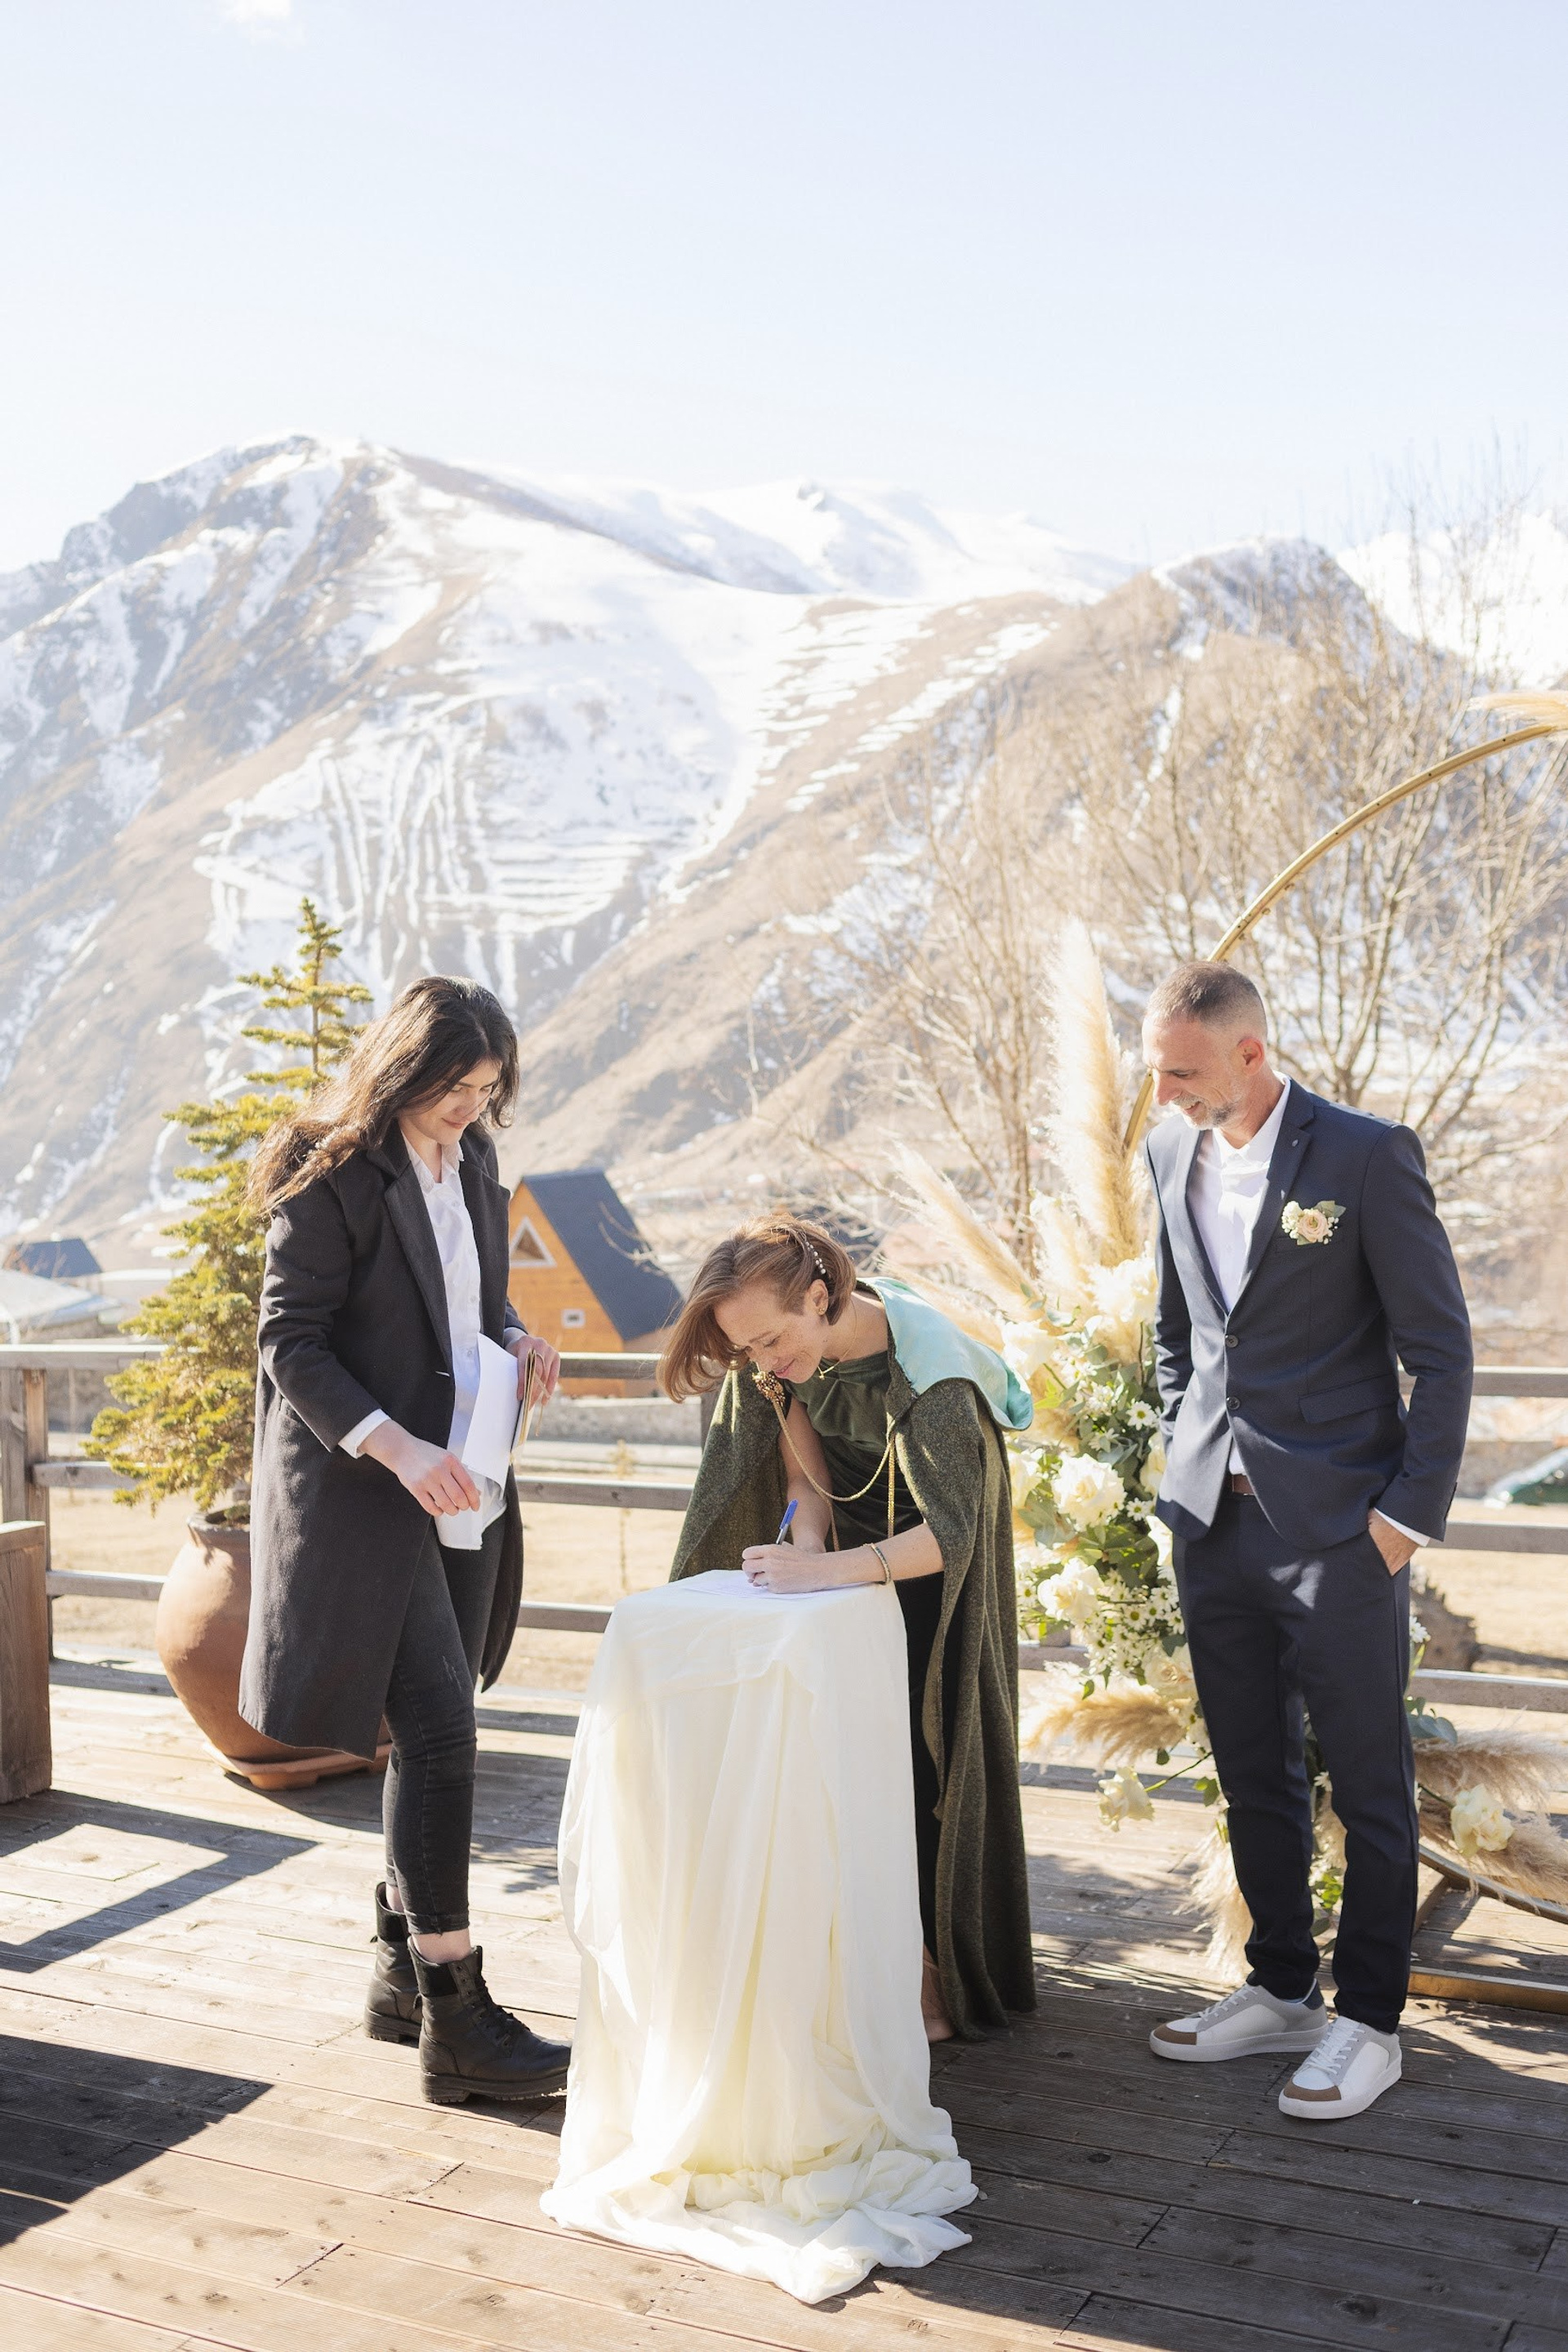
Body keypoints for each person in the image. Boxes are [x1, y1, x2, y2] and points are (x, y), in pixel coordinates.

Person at [540, 1214, 1032, 2301]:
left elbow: (956, 1532)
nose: (761, 1364)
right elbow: (807, 1476)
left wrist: (838, 1575)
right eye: (747, 1350)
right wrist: (807, 1543)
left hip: (928, 1585)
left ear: (820, 1293)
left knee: (926, 1770)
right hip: (847, 1584)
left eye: (769, 1340)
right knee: (839, 1781)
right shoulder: (780, 1371)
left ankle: (937, 1980)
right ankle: (857, 1977)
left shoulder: (933, 1376)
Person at [1141, 962, 1472, 2121]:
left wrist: (1400, 1520)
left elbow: (1441, 1349)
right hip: (1212, 1525)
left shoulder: (1367, 1158)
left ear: (1250, 1052)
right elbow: (1180, 1330)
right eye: (1156, 1070)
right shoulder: (1169, 1155)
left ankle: (1368, 2020)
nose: (1166, 1092)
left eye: (1183, 1071)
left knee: (1371, 1786)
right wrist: (1182, 1459)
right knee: (1252, 1774)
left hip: (1341, 1533)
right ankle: (1280, 1986)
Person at [240, 974, 572, 2107]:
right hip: (372, 1488)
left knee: (445, 1712)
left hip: (469, 1472)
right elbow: (293, 1343)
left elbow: (469, 1301)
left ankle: (393, 1965)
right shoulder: (327, 1177)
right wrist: (394, 1448)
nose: (468, 1111)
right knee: (438, 1728)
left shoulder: (473, 1163)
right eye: (450, 1090)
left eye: (486, 1091)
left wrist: (520, 1336)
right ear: (399, 1074)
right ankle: (455, 2007)